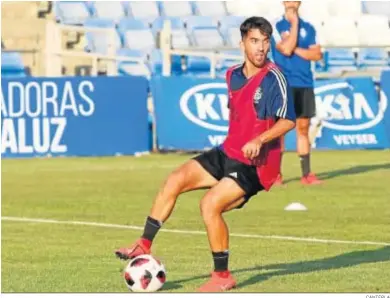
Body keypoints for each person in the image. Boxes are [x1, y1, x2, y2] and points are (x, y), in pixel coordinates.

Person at [115, 16, 296, 292]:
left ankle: (222, 277)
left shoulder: (274, 78)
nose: (261, 48)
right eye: (254, 41)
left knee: (209, 205)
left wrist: (260, 139)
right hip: (227, 152)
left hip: (254, 165)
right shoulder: (232, 75)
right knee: (175, 179)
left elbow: (288, 121)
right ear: (243, 43)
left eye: (265, 42)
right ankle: (144, 244)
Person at [271, 1, 323, 185]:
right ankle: (275, 174)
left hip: (305, 83)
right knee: (280, 130)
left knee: (303, 128)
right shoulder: (275, 26)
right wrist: (293, 24)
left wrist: (294, 49)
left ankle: (306, 174)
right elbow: (284, 49)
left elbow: (317, 55)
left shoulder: (309, 27)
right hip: (284, 83)